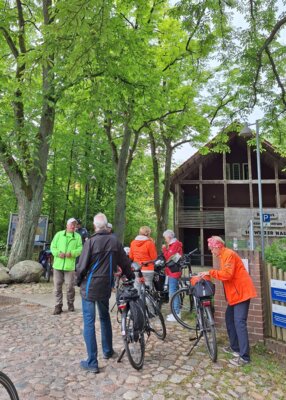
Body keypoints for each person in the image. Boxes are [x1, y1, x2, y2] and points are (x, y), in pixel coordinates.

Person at [76, 213, 134, 374]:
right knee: (104, 317)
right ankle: (108, 350)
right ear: (106, 226)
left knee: (89, 321)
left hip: (89, 287)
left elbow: (81, 266)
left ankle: (92, 361)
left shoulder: (91, 242)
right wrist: (132, 276)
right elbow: (125, 262)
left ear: (95, 226)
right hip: (105, 287)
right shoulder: (115, 241)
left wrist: (77, 280)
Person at [199, 236, 257, 366]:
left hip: (241, 293)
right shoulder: (223, 255)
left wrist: (211, 272)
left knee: (239, 322)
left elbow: (227, 274)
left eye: (211, 249)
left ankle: (245, 357)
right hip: (235, 294)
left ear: (217, 246)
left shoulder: (229, 254)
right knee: (229, 318)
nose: (211, 251)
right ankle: (235, 347)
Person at [50, 217, 83, 315]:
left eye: (75, 224)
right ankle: (58, 306)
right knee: (57, 287)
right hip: (57, 265)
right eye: (71, 224)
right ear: (67, 225)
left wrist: (72, 253)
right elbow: (52, 246)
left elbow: (80, 249)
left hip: (69, 266)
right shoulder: (59, 234)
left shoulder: (77, 236)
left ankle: (70, 304)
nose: (73, 226)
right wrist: (57, 253)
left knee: (70, 287)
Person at [162, 229, 183, 322]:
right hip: (172, 271)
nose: (165, 240)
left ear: (169, 237)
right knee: (174, 291)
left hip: (173, 271)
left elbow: (168, 257)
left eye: (165, 238)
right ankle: (175, 312)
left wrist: (164, 249)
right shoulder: (174, 245)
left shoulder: (174, 245)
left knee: (173, 292)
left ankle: (177, 313)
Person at [129, 226, 157, 290]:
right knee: (148, 288)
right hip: (147, 268)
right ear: (148, 233)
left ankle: (138, 300)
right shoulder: (150, 243)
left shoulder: (133, 243)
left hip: (137, 268)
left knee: (137, 288)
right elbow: (154, 257)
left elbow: (131, 256)